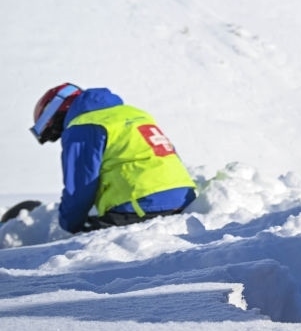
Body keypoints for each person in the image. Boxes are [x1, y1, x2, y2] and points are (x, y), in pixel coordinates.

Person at [30, 83, 197, 233]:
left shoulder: (82, 126)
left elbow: (80, 187)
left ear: (55, 115)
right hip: (184, 198)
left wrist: (68, 224)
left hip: (141, 204)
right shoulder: (134, 113)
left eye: (56, 132)